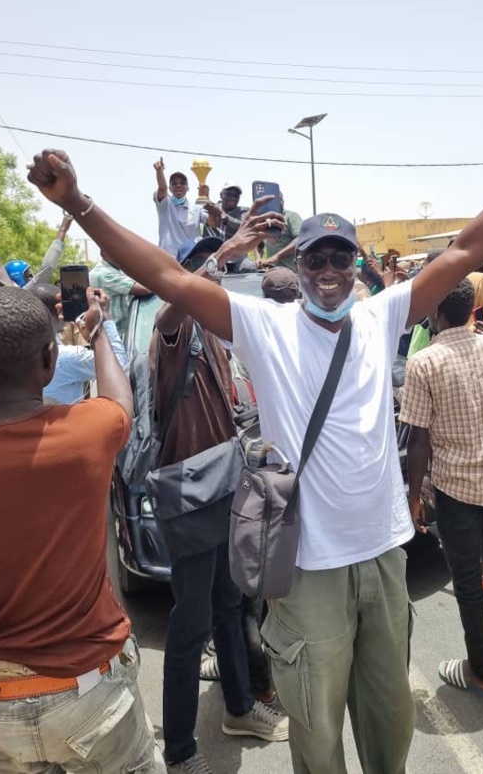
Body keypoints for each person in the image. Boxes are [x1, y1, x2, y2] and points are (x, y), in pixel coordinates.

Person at [27, 116, 483, 774]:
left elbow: (467, 248)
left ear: (355, 264)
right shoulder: (263, 326)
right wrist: (78, 202)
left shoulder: (380, 313)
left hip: (384, 558)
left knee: (390, 724)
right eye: (317, 256)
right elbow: (167, 276)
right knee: (316, 732)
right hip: (305, 567)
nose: (329, 269)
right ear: (297, 263)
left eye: (341, 256)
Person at [0, 286, 164, 774]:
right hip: (89, 694)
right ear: (49, 360)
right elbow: (122, 398)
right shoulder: (89, 432)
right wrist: (96, 329)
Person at [153, 226, 288, 773]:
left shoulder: (214, 337)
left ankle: (237, 707)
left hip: (224, 489)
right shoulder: (173, 336)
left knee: (230, 606)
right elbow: (171, 312)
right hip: (191, 498)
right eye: (213, 283)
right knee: (190, 626)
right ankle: (181, 752)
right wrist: (223, 253)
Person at [401, 278, 483, 693]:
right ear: (473, 310)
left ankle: (480, 670)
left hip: (453, 486)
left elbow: (418, 441)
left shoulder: (424, 362)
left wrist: (414, 497)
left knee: (467, 578)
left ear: (436, 310)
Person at [33, 283, 129, 404]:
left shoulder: (11, 353)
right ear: (60, 311)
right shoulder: (66, 357)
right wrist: (104, 317)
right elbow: (120, 367)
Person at [90, 252, 153, 338]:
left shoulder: (116, 270)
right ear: (102, 253)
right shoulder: (105, 273)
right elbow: (145, 289)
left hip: (113, 333)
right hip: (113, 335)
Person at [4, 213, 74, 288]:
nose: (32, 275)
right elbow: (48, 266)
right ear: (16, 277)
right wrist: (62, 230)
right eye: (27, 274)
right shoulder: (25, 292)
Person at [153, 158, 206, 255]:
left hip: (190, 260)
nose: (178, 186)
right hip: (167, 258)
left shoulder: (197, 209)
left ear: (188, 188)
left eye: (182, 183)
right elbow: (162, 188)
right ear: (170, 188)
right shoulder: (165, 205)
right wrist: (159, 171)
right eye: (174, 183)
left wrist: (207, 199)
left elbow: (212, 222)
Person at [260, 195, 302, 270]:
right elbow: (258, 241)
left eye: (277, 200)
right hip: (272, 271)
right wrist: (258, 258)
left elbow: (300, 239)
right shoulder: (265, 220)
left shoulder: (291, 217)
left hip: (291, 270)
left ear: (282, 202)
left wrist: (277, 256)